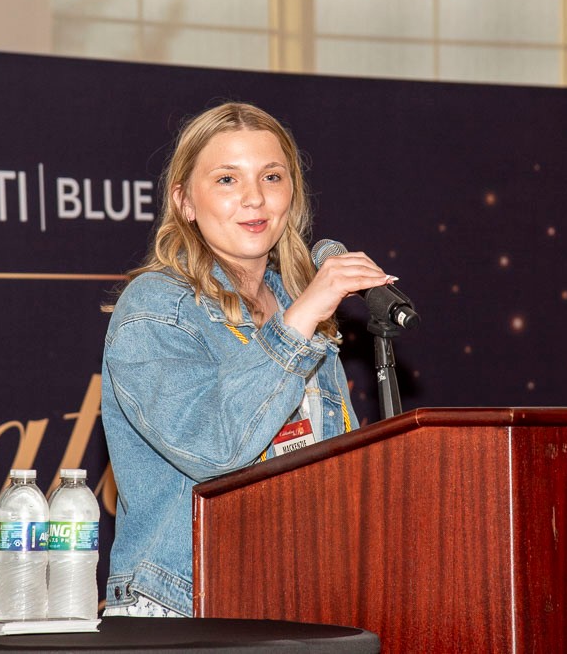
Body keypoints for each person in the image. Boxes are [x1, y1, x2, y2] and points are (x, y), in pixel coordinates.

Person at [100, 102, 395, 618]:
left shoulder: (298, 308)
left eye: (271, 176)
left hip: (297, 598)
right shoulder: (157, 307)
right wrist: (300, 321)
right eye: (227, 179)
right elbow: (217, 450)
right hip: (186, 608)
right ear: (185, 202)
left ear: (291, 196)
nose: (254, 197)